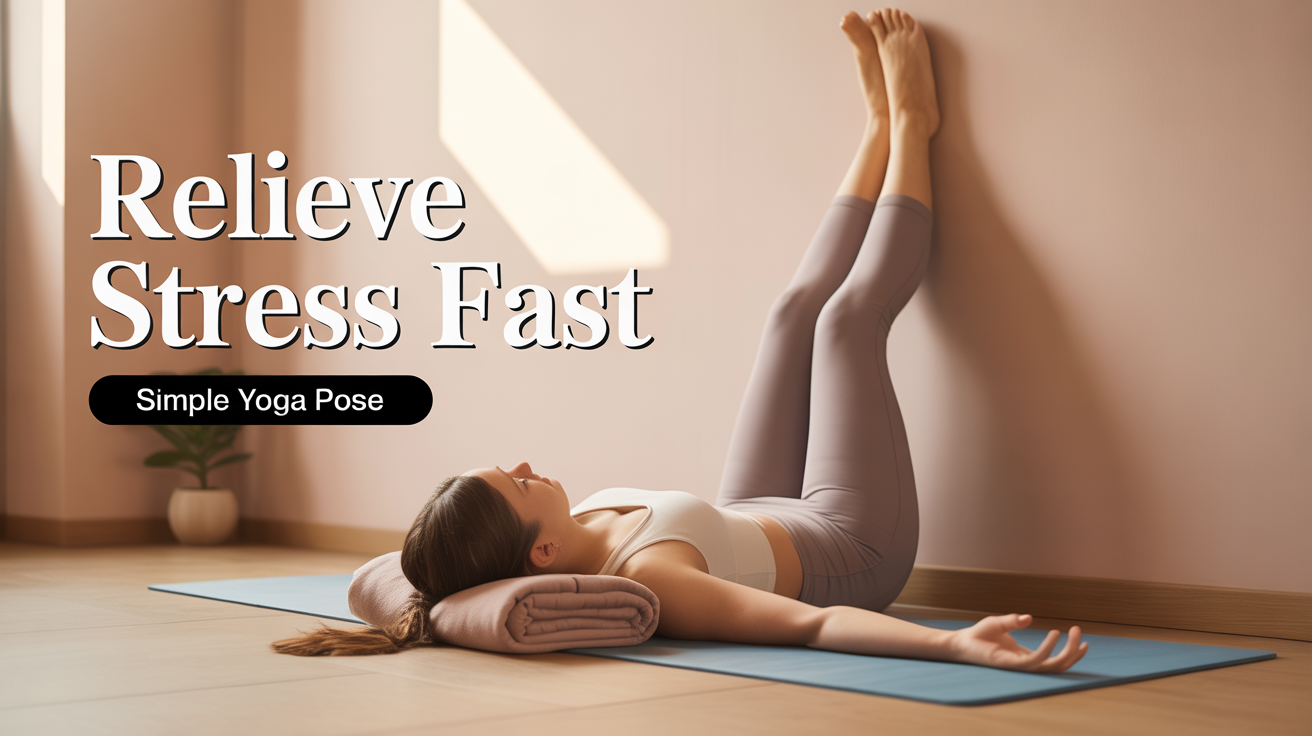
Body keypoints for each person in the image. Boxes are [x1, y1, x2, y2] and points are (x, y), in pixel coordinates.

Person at [275, 8, 1088, 673]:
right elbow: (810, 628)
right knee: (844, 324)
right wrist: (952, 644)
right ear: (546, 548)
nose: (525, 465)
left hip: (753, 514)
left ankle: (876, 128)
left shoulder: (576, 526)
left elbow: (416, 571)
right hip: (851, 545)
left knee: (790, 313)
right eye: (518, 484)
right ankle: (915, 120)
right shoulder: (652, 575)